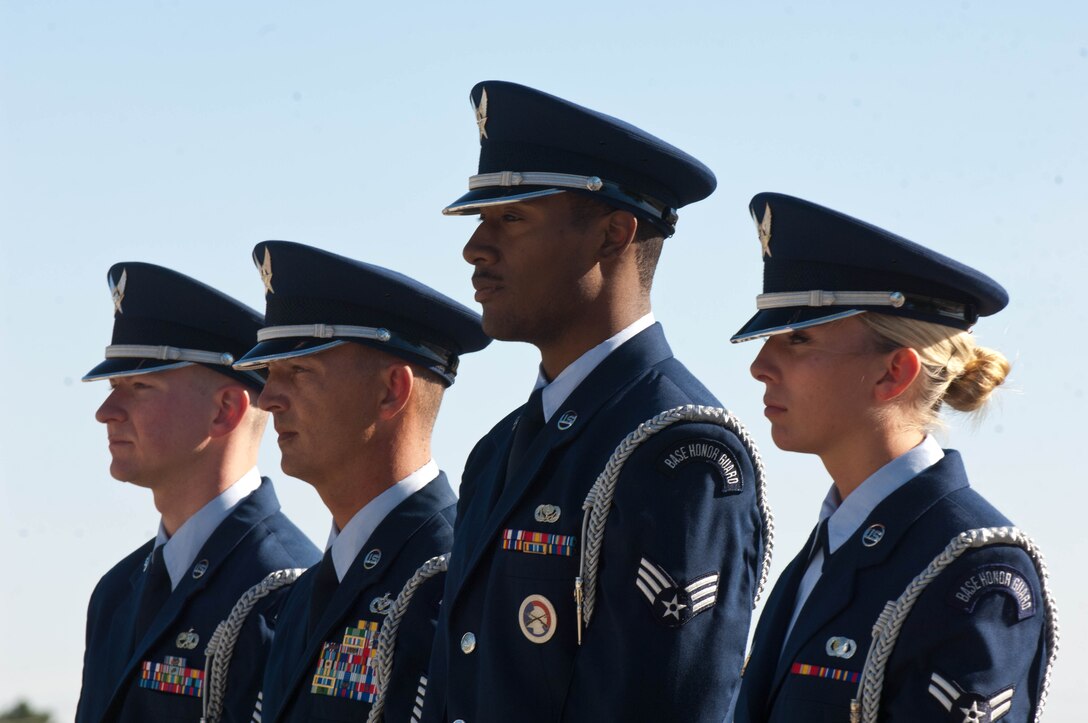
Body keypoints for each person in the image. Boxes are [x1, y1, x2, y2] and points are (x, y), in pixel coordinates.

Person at [425, 80, 767, 723]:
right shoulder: (497, 450)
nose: (475, 247)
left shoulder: (680, 451)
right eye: (479, 219)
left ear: (614, 233)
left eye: (513, 217)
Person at [731, 193, 1057, 722]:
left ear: (893, 373)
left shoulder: (976, 570)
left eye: (798, 338)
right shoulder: (831, 547)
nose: (760, 365)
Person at [232, 240, 490, 723]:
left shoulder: (464, 582)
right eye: (268, 373)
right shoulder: (306, 594)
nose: (267, 399)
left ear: (392, 390)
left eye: (299, 371)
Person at [76, 262, 321, 723]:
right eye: (113, 387)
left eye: (140, 386)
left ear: (225, 409)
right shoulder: (116, 591)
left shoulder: (287, 594)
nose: (106, 411)